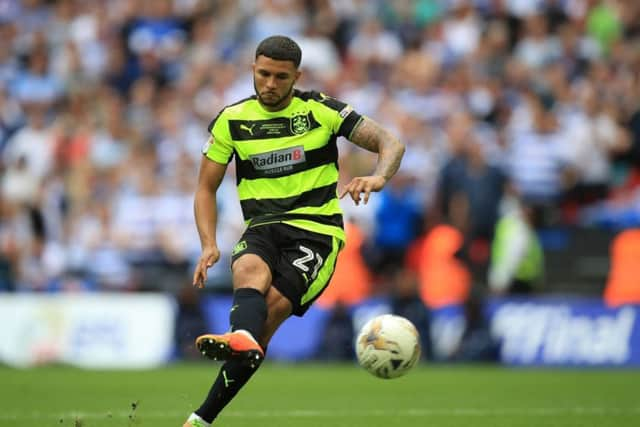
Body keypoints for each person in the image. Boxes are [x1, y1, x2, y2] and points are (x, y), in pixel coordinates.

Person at [184, 35, 405, 427]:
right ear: (253, 69)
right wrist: (208, 244)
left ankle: (204, 413)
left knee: (265, 319)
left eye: (280, 77)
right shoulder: (231, 121)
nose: (270, 84)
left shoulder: (322, 111)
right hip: (263, 225)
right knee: (248, 271)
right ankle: (219, 382)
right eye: (264, 74)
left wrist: (378, 177)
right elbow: (205, 188)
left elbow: (391, 142)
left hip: (315, 231)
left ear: (296, 76)